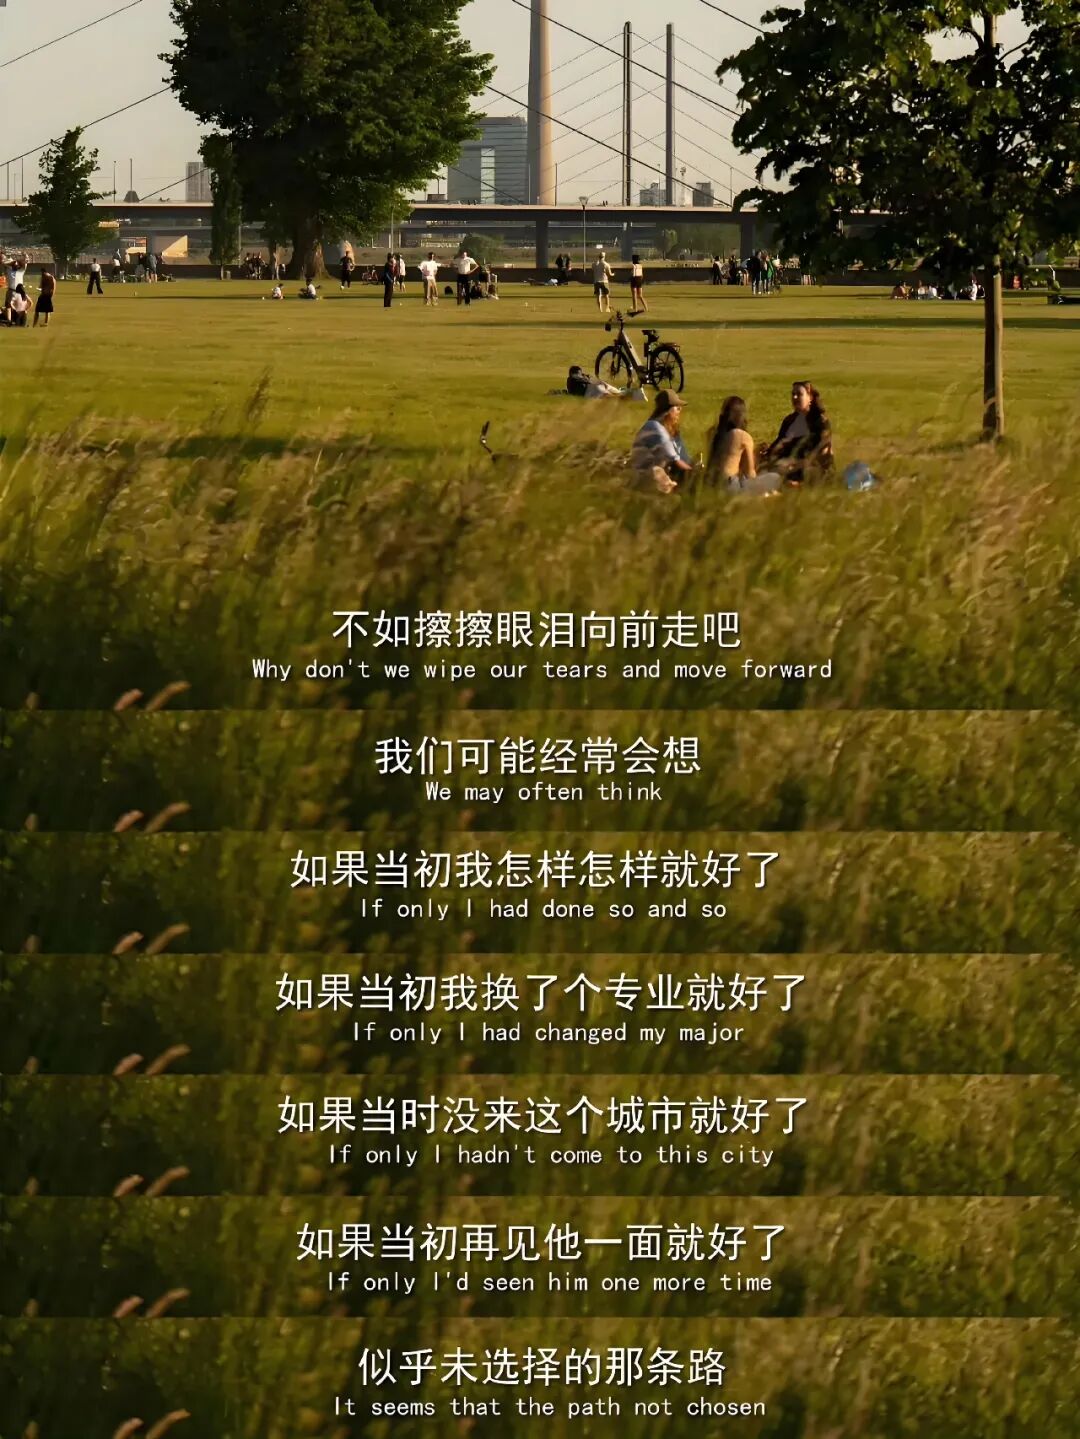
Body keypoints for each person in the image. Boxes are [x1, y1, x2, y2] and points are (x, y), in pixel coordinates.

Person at [704, 396, 782, 494]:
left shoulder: (713, 433)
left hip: (710, 484)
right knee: (775, 477)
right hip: (730, 485)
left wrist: (755, 452)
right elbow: (749, 473)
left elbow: (730, 457)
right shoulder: (743, 436)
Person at [764, 380, 834, 485]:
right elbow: (779, 444)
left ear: (810, 397)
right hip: (790, 466)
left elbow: (822, 455)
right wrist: (767, 452)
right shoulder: (789, 421)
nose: (795, 397)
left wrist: (794, 466)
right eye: (793, 394)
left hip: (813, 468)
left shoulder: (821, 422)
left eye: (799, 394)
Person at [629, 389, 693, 492]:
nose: (680, 410)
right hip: (646, 479)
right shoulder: (654, 428)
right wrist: (697, 476)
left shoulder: (668, 430)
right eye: (677, 407)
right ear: (668, 410)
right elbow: (675, 462)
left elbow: (683, 458)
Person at [593, 249, 614, 314]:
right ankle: (607, 308)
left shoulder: (594, 264)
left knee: (598, 296)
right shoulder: (606, 264)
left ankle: (600, 310)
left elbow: (593, 270)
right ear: (604, 257)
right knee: (606, 295)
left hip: (597, 281)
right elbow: (609, 274)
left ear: (599, 256)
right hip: (604, 281)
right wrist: (613, 274)